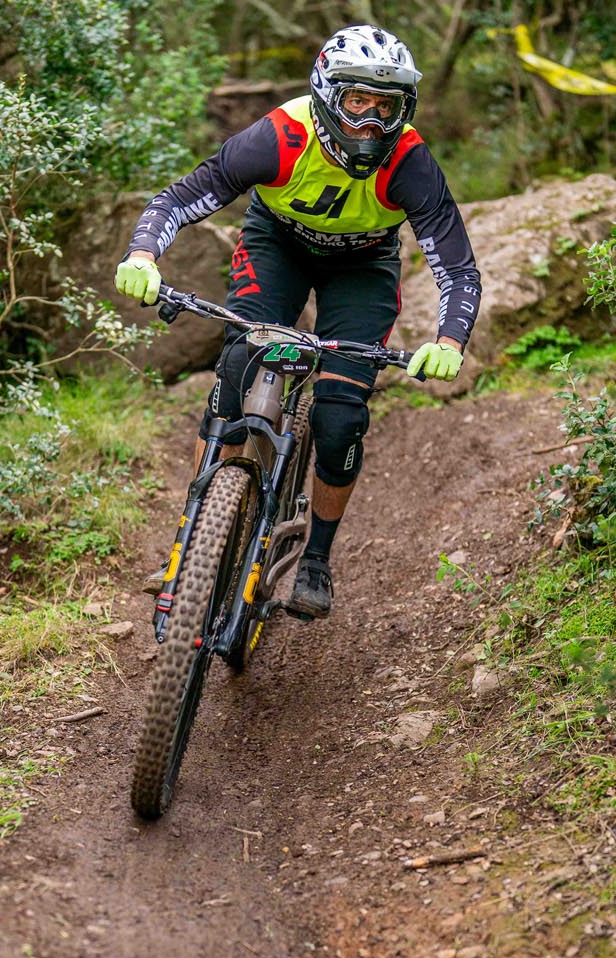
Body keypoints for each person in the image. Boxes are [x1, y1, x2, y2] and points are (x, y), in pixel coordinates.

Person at [116, 24, 481, 619]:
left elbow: (459, 271)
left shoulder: (410, 161)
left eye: (386, 106)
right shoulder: (280, 136)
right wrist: (142, 255)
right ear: (328, 95)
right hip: (277, 247)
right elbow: (179, 199)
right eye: (358, 101)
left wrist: (449, 340)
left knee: (340, 420)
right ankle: (194, 536)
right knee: (237, 370)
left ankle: (315, 559)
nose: (371, 121)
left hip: (363, 266)